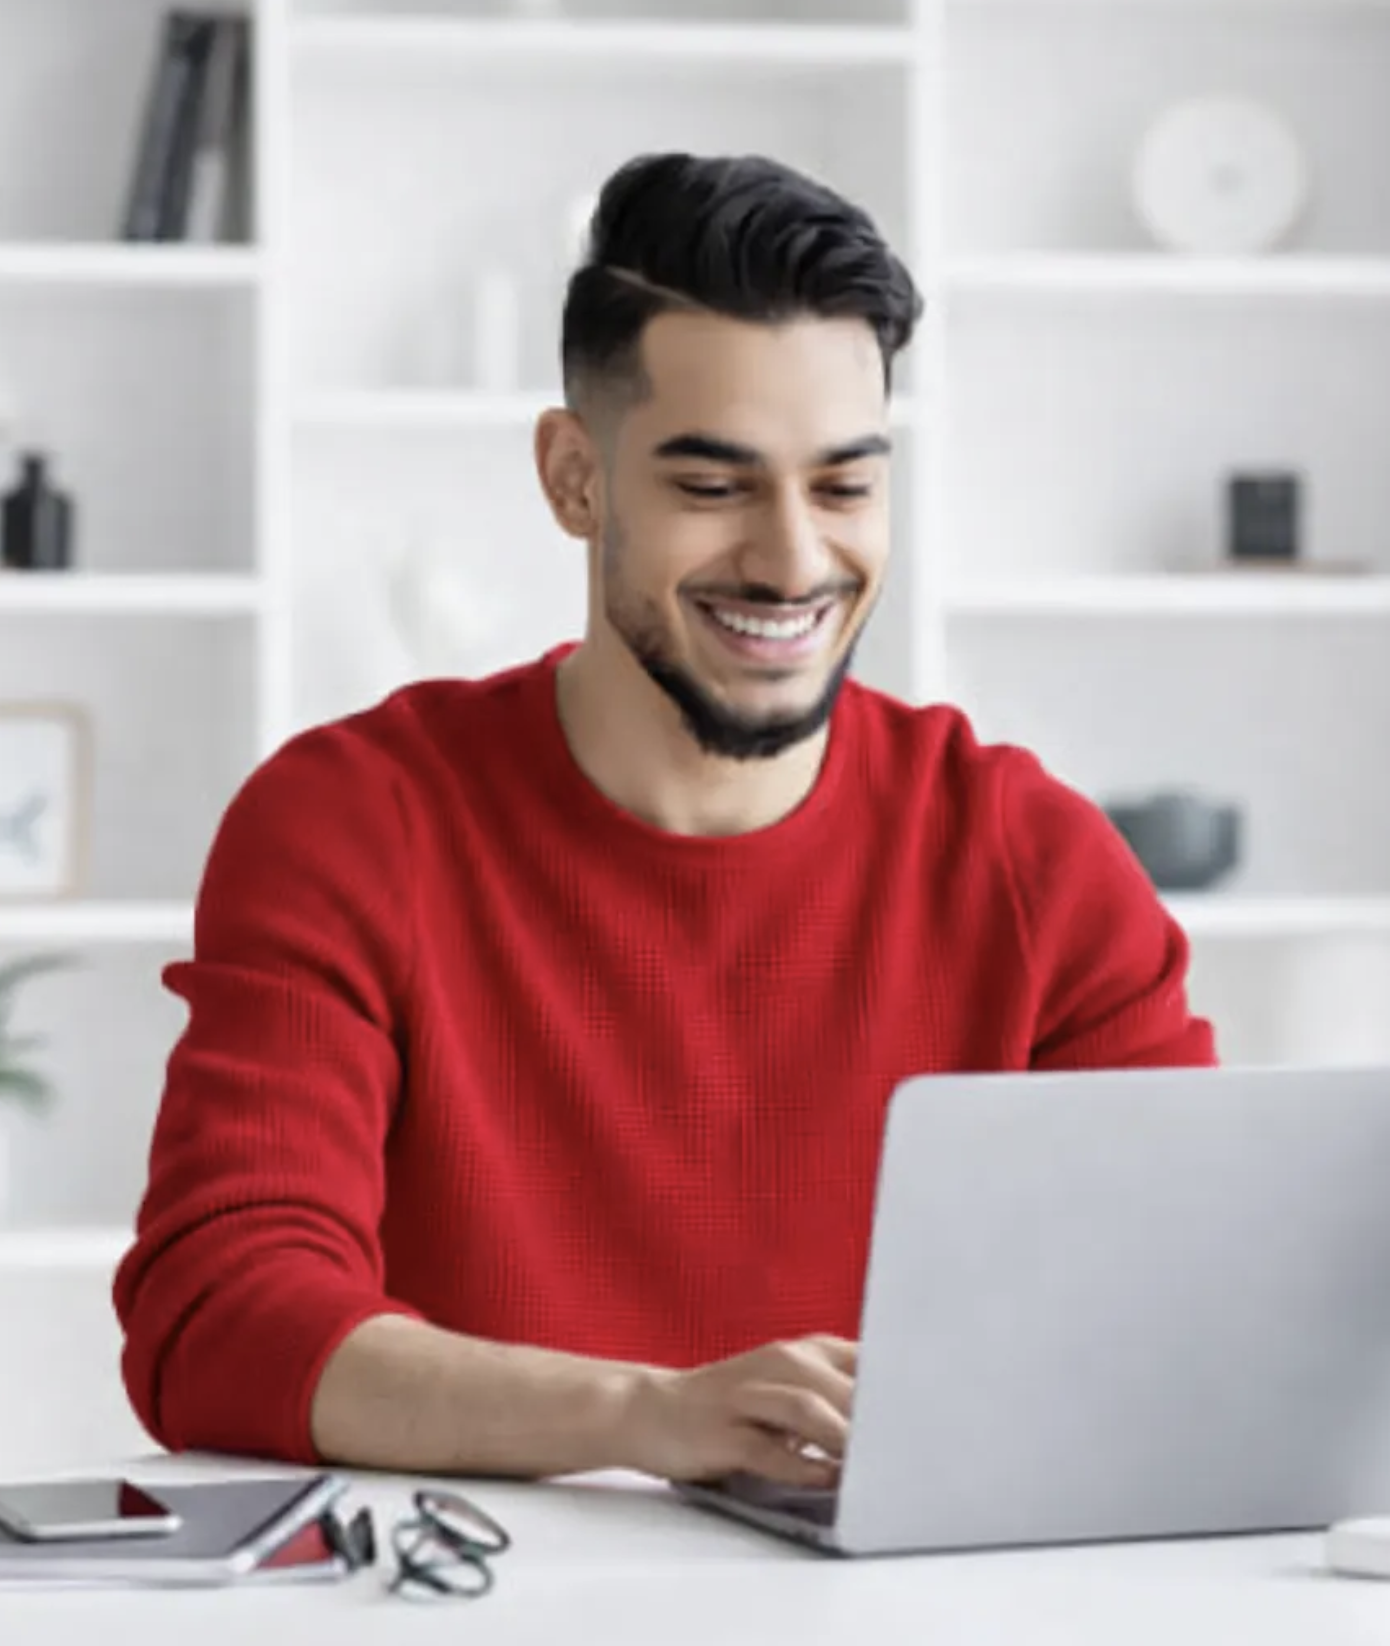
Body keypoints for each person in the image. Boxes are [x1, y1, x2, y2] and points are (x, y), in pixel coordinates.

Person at [113, 151, 1216, 1495]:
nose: (795, 558)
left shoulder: (1031, 856)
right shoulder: (349, 822)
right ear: (575, 478)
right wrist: (648, 1414)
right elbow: (217, 1319)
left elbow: (1194, 1303)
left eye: (844, 484)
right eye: (714, 486)